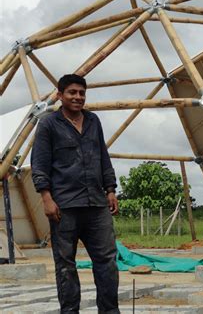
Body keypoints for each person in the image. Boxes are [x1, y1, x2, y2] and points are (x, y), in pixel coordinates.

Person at [31, 74, 120, 314]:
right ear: (60, 96)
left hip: (97, 205)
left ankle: (110, 311)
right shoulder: (48, 124)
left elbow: (103, 156)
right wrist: (46, 198)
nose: (78, 97)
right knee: (65, 266)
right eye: (72, 92)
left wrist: (110, 190)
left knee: (107, 262)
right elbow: (39, 163)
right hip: (64, 207)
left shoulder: (93, 121)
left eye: (81, 93)